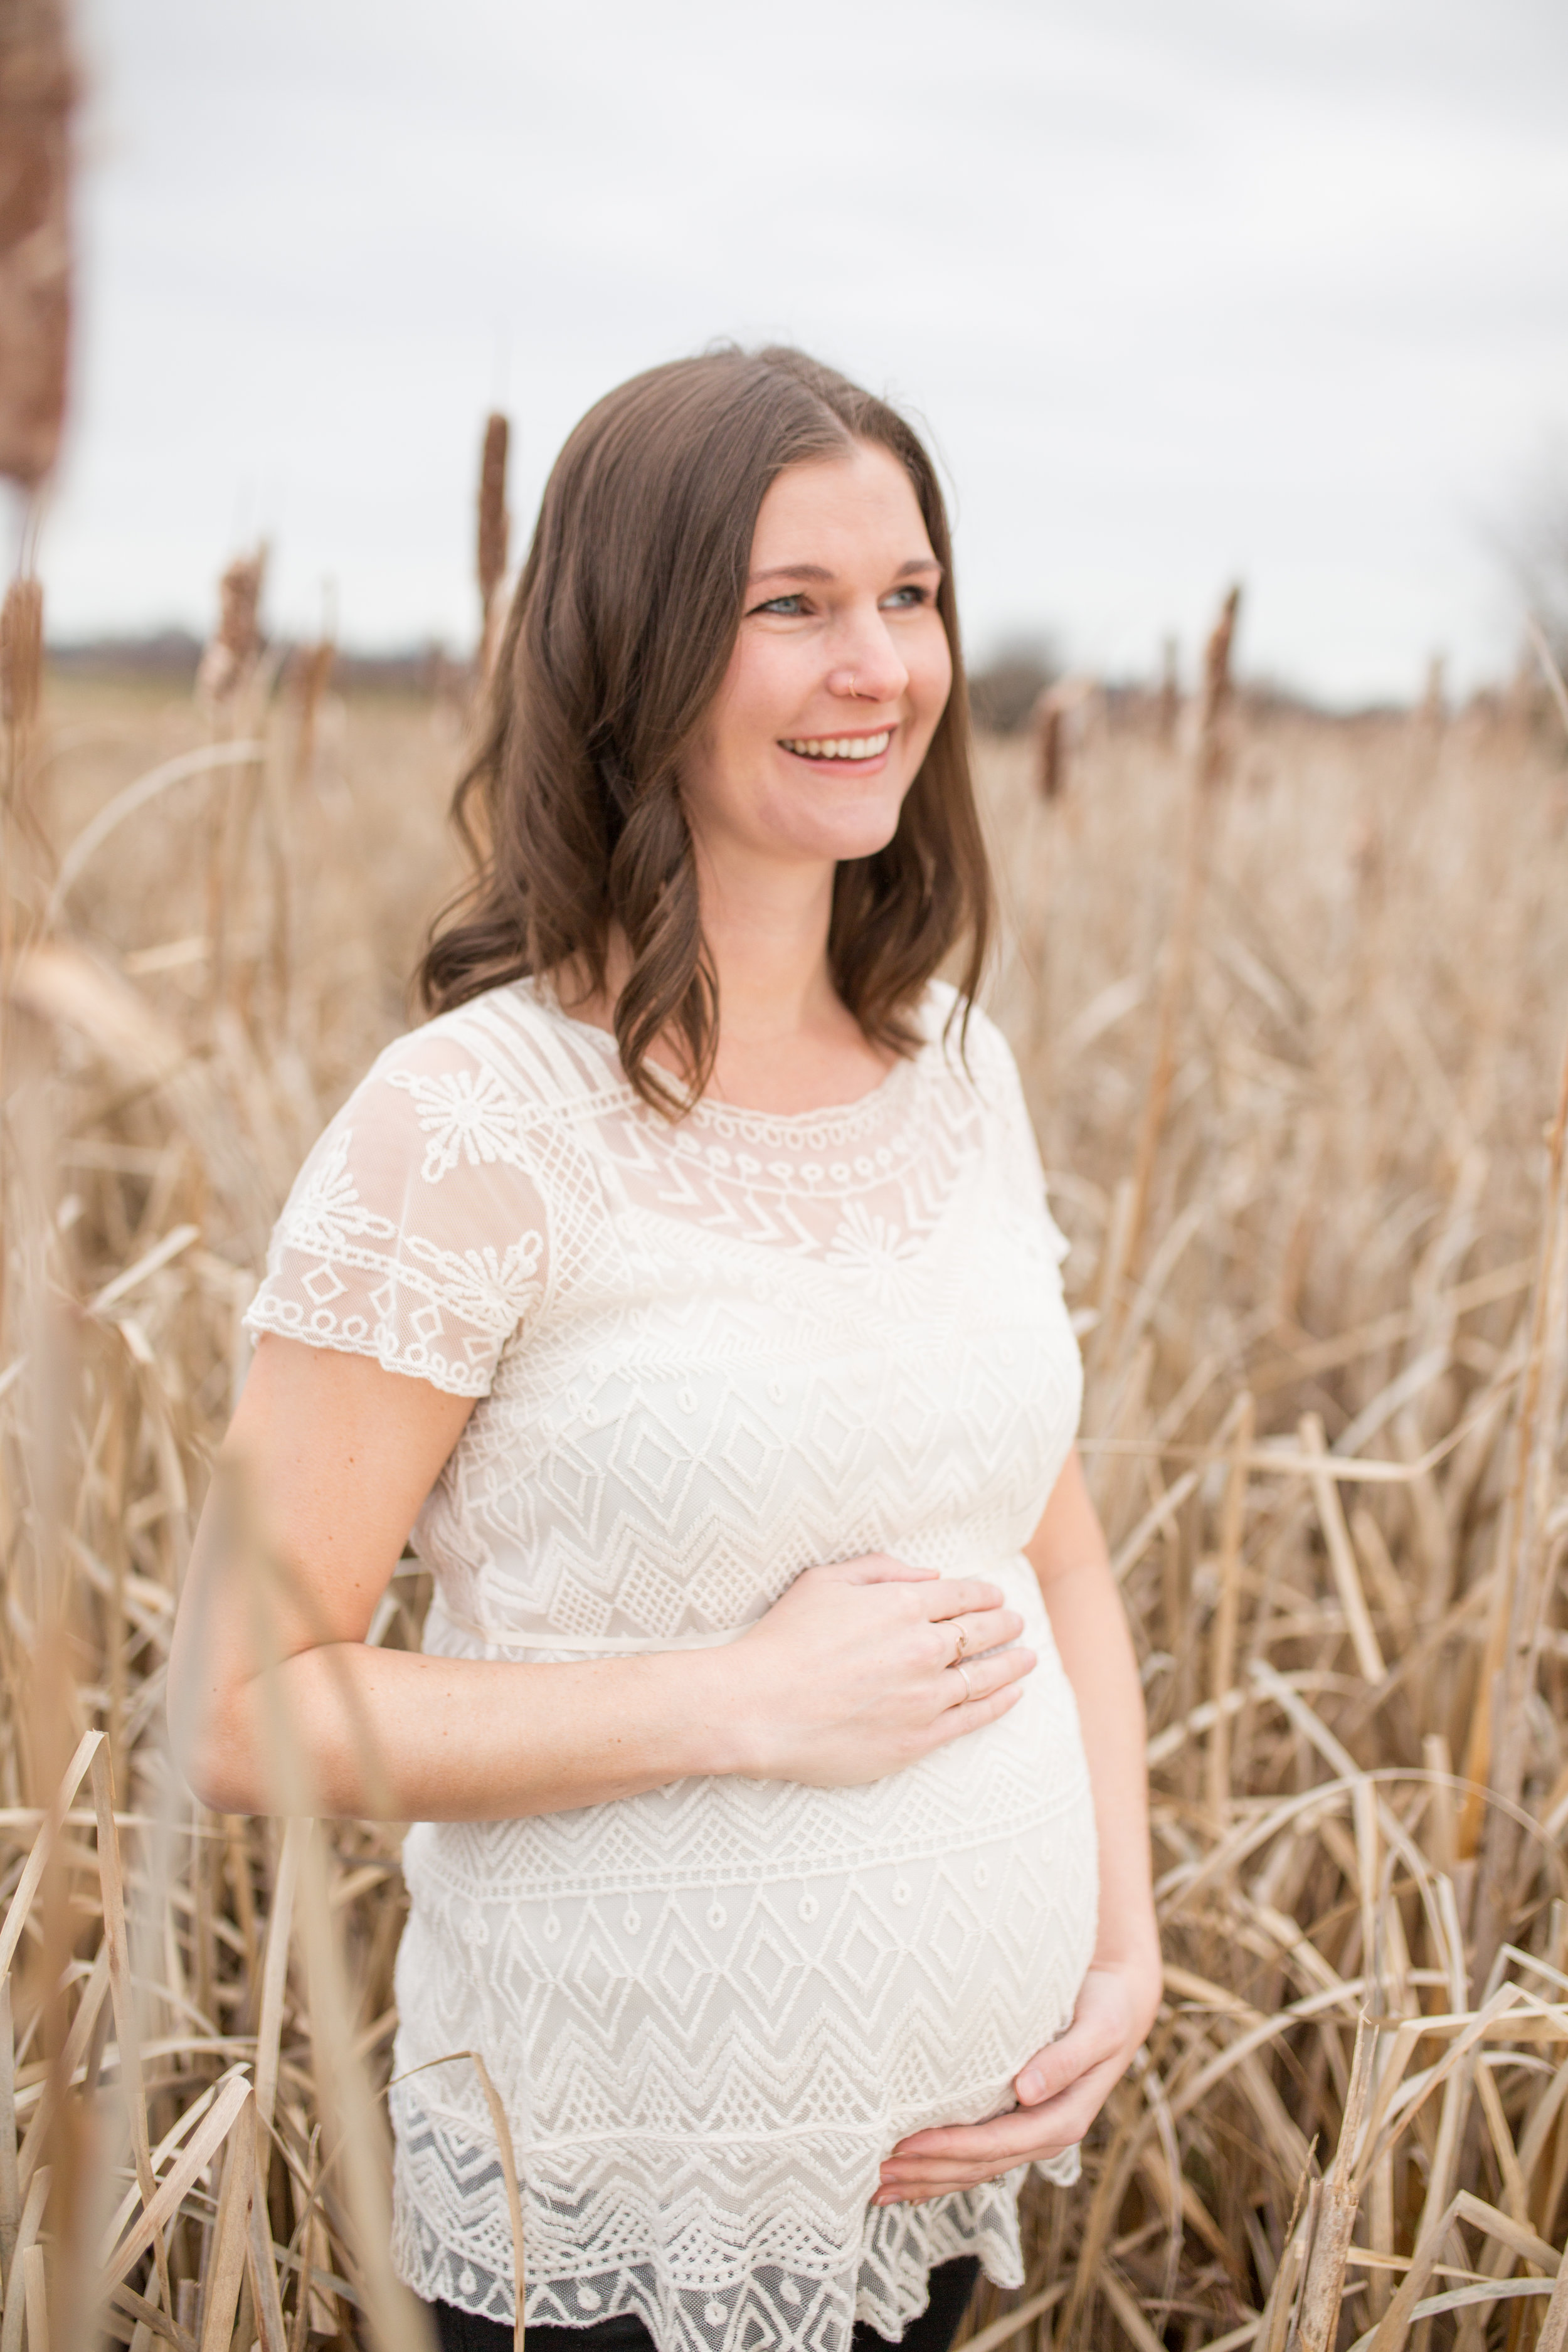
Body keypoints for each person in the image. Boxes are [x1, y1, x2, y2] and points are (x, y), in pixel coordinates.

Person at [169, 346, 1160, 2352]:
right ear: (631, 650)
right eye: (787, 607)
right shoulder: (471, 1127)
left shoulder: (955, 1068)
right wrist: (742, 1702)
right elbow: (235, 1706)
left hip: (947, 2176)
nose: (874, 664)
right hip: (620, 2226)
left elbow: (1043, 1549)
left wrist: (1120, 1947)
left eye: (906, 595)